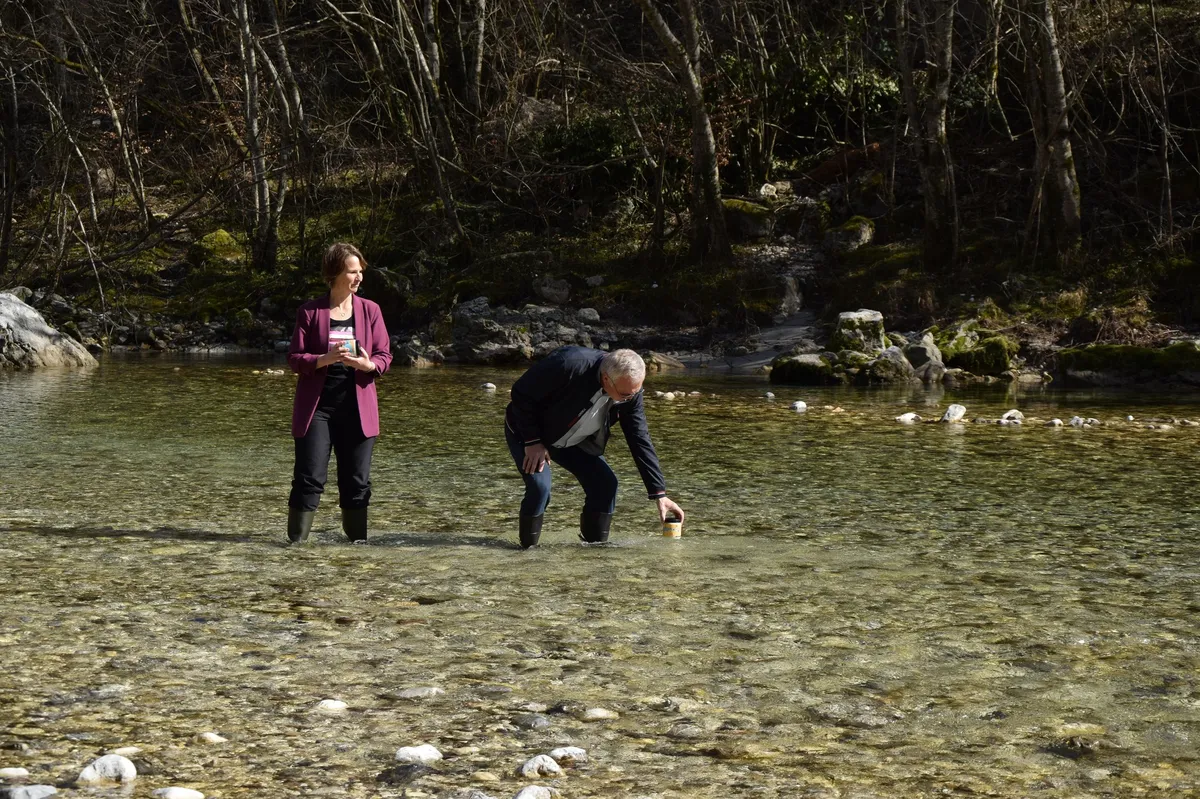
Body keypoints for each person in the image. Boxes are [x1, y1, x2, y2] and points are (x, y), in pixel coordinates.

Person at [504, 346, 685, 547]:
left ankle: (594, 551)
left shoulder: (630, 392)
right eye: (625, 394)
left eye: (634, 393)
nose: (629, 399)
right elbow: (521, 393)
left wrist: (659, 493)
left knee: (605, 485)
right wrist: (532, 441)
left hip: (574, 438)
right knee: (540, 488)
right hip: (529, 432)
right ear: (607, 379)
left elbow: (639, 437)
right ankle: (526, 554)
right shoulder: (569, 364)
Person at [286, 243, 392, 544]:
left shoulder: (371, 310)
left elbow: (385, 354)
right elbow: (295, 357)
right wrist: (322, 360)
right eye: (352, 272)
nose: (359, 277)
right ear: (334, 273)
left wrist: (368, 364)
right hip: (317, 410)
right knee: (309, 479)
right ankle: (295, 548)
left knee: (357, 482)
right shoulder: (309, 312)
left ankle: (357, 549)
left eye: (360, 272)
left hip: (358, 409)